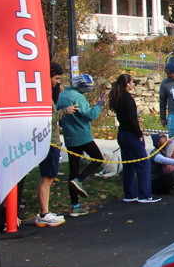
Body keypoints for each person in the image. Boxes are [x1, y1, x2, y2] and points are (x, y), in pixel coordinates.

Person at [57, 74, 107, 217]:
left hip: (69, 136)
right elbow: (90, 115)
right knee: (98, 159)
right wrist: (99, 105)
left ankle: (75, 206)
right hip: (82, 135)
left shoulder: (62, 95)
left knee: (73, 170)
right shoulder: (78, 97)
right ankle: (80, 180)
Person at [33, 64, 76, 228]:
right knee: (47, 177)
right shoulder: (43, 97)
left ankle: (44, 212)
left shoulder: (48, 95)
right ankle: (44, 213)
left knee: (49, 177)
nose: (58, 82)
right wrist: (65, 111)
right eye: (56, 78)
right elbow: (46, 119)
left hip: (53, 140)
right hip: (49, 141)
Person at [108, 74, 159, 204]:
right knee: (143, 163)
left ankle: (130, 194)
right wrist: (139, 134)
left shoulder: (117, 97)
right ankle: (145, 194)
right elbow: (132, 120)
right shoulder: (128, 99)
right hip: (131, 134)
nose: (133, 85)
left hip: (122, 133)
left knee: (128, 164)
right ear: (127, 84)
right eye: (131, 82)